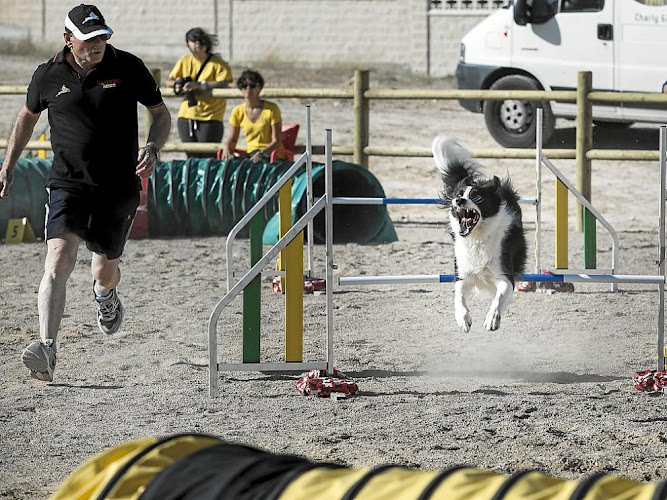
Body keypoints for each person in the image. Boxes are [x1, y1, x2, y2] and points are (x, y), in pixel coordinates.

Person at [0, 4, 171, 382]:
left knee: (103, 269)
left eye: (101, 39)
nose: (97, 47)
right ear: (68, 39)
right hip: (67, 184)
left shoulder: (127, 66)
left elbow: (161, 114)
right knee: (58, 257)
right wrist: (10, 164)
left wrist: (154, 148)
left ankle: (105, 296)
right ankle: (46, 347)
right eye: (88, 41)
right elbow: (27, 116)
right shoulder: (47, 75)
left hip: (118, 186)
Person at [165, 28, 233, 158]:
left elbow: (225, 82)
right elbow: (169, 80)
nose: (198, 44)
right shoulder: (184, 60)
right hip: (187, 115)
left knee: (208, 157)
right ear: (187, 44)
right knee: (191, 157)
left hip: (210, 116)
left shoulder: (218, 63)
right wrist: (178, 84)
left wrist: (201, 85)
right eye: (194, 41)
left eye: (201, 41)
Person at [219, 69, 284, 163]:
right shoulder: (237, 111)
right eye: (244, 86)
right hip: (251, 155)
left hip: (272, 155)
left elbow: (276, 141)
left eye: (252, 86)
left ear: (259, 88)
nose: (248, 89)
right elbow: (232, 139)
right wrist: (227, 147)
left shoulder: (272, 109)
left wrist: (262, 153)